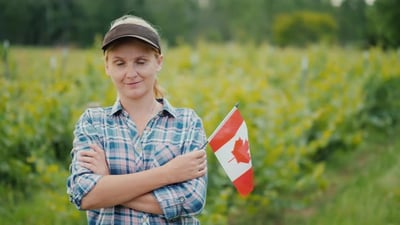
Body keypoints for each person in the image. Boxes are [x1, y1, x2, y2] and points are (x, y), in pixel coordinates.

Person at [67, 15, 208, 225]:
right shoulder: (93, 123)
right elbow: (84, 195)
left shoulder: (187, 122)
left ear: (158, 62)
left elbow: (192, 200)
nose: (131, 73)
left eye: (141, 62)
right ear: (107, 66)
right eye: (120, 63)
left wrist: (108, 185)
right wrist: (168, 174)